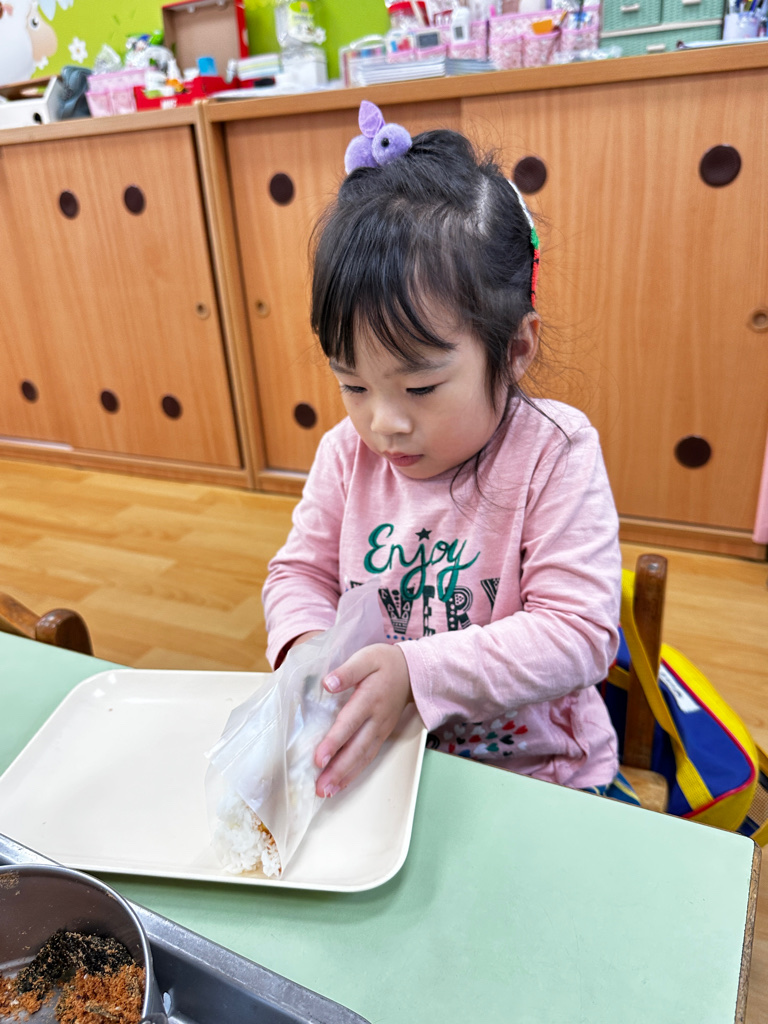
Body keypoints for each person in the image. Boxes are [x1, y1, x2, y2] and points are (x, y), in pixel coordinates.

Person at [262, 102, 623, 803]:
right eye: (353, 384)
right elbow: (298, 573)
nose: (383, 423)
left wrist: (415, 673)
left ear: (515, 348)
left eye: (420, 387)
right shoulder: (346, 456)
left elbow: (579, 633)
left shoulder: (554, 452)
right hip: (391, 767)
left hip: (537, 775)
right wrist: (308, 651)